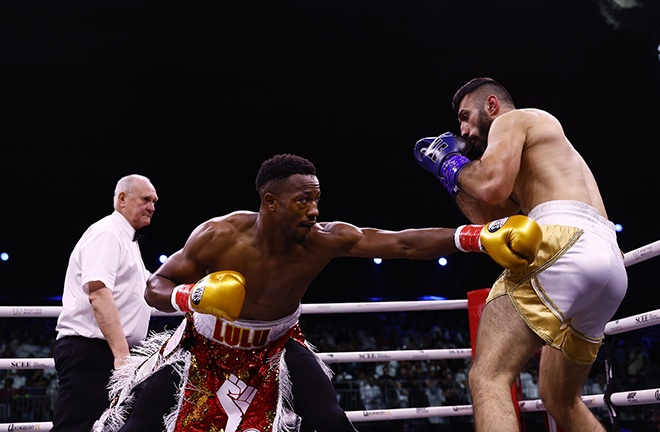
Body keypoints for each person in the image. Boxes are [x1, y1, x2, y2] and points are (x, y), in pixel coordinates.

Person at [93, 153, 542, 432]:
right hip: (203, 346)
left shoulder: (325, 238)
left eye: (316, 199)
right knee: (141, 422)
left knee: (328, 418)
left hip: (276, 346)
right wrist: (192, 297)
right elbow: (157, 285)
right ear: (270, 202)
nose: (314, 210)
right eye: (302, 200)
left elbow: (402, 242)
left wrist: (478, 236)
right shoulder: (221, 235)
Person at [414, 77, 628, 431]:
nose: (464, 130)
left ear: (492, 105)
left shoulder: (514, 119)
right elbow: (496, 220)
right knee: (560, 398)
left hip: (563, 238)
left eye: (466, 117)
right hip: (607, 262)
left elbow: (490, 185)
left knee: (488, 377)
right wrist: (449, 176)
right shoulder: (533, 154)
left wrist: (450, 161)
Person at [52, 174, 158, 432]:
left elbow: (152, 292)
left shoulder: (127, 240)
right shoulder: (107, 234)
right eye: (146, 199)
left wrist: (195, 296)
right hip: (94, 350)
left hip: (108, 351)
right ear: (122, 199)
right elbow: (98, 294)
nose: (152, 207)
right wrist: (122, 355)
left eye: (154, 201)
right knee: (77, 426)